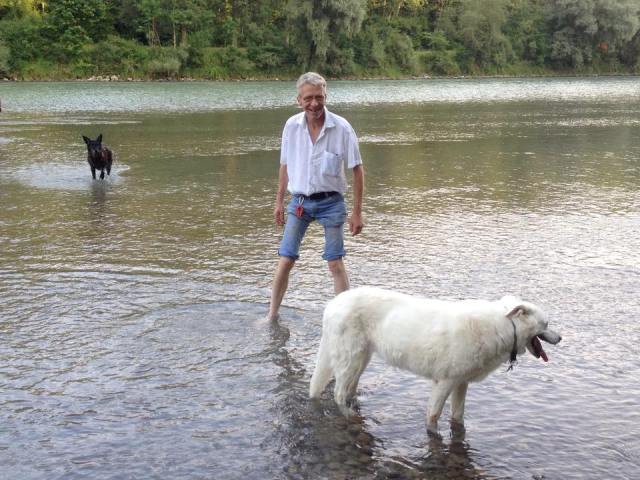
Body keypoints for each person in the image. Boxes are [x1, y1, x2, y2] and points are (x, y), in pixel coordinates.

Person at [267, 72, 365, 321]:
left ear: (326, 97)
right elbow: (284, 165)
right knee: (286, 259)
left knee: (335, 263)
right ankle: (271, 315)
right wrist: (279, 201)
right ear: (298, 100)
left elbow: (357, 169)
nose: (314, 104)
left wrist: (356, 212)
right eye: (308, 98)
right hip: (299, 202)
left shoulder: (342, 127)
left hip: (332, 202)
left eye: (319, 97)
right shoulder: (291, 126)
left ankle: (344, 321)